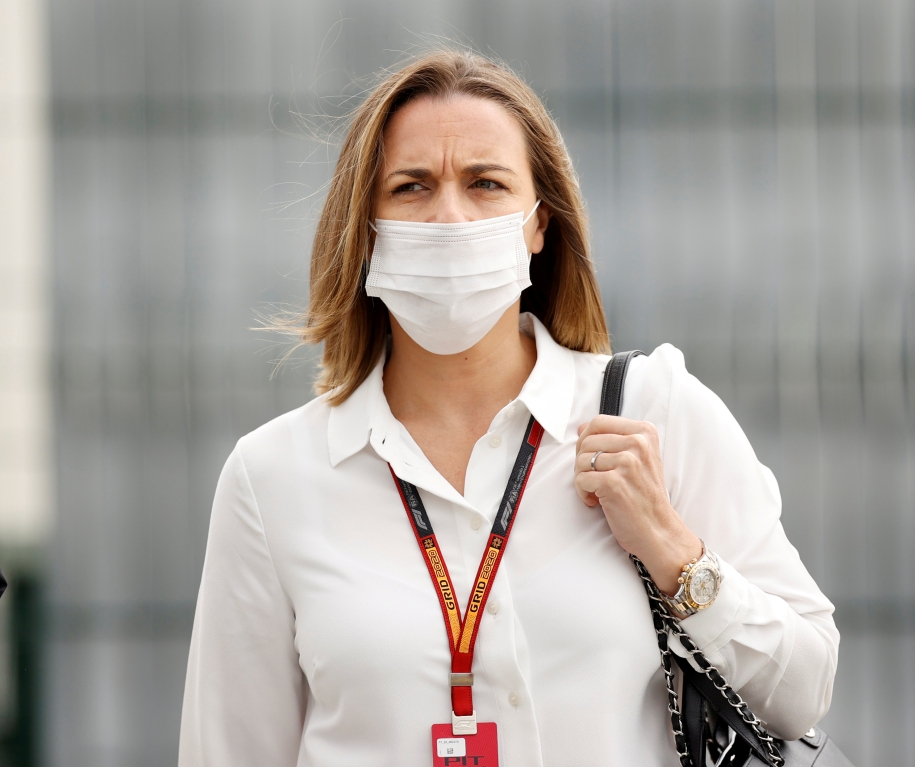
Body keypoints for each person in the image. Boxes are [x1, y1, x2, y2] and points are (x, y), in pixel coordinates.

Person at [178, 49, 838, 767]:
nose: (451, 216)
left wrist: (674, 551)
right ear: (365, 229)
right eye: (412, 186)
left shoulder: (656, 411)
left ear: (539, 224)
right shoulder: (273, 476)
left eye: (486, 183)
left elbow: (804, 689)